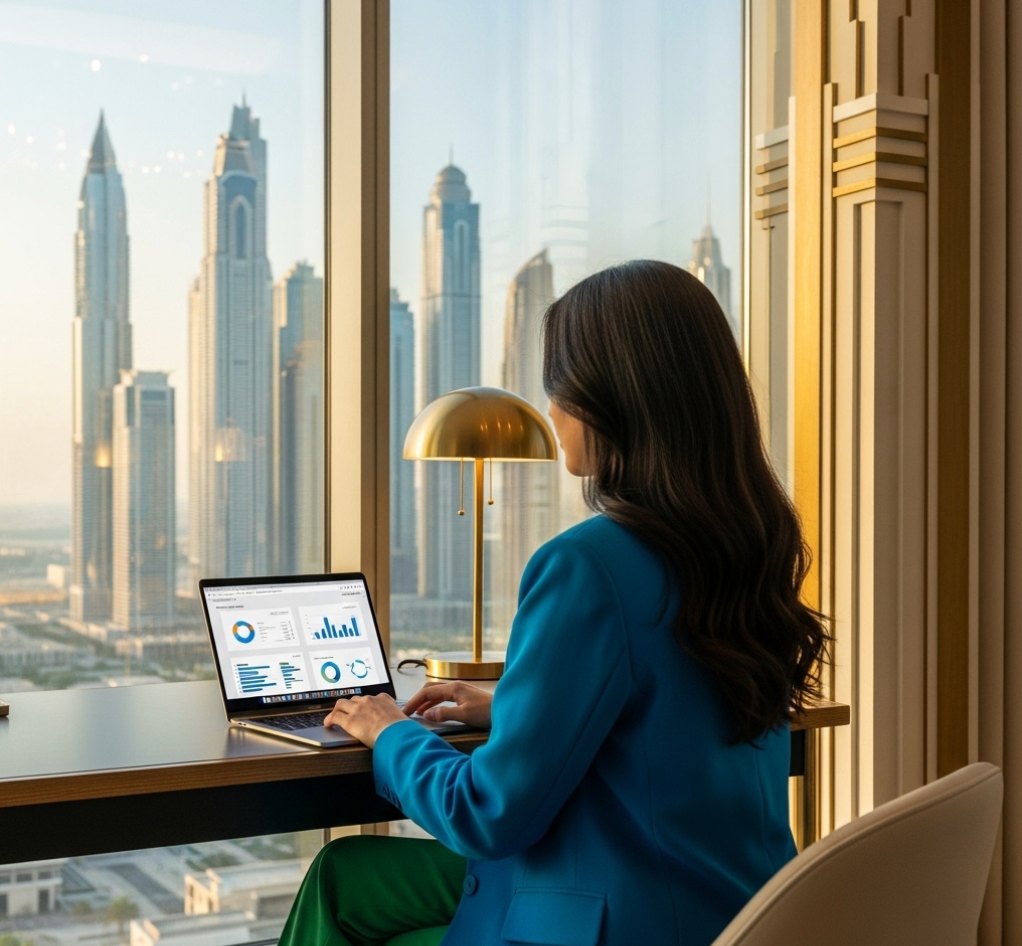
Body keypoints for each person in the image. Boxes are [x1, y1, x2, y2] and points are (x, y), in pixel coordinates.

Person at [278, 260, 829, 946]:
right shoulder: (749, 546)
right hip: (725, 909)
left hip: (610, 921)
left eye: (559, 386)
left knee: (357, 894)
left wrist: (391, 731)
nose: (552, 410)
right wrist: (512, 704)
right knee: (345, 875)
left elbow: (489, 815)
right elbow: (664, 718)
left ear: (613, 399)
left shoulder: (588, 566)